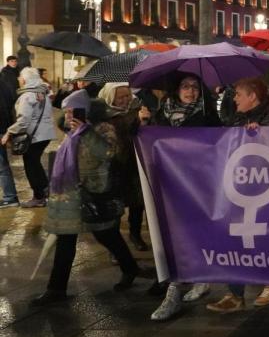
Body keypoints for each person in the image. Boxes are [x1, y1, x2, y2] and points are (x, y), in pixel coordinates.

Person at [30, 90, 151, 306]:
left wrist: (86, 132)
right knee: (66, 239)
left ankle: (130, 268)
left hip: (94, 193)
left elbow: (109, 153)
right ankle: (56, 289)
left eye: (73, 110)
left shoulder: (103, 128)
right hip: (70, 193)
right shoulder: (70, 130)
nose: (69, 115)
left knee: (107, 235)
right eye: (66, 111)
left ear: (85, 110)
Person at [207, 78, 269, 314]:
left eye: (238, 94)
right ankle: (234, 294)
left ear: (252, 96)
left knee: (268, 238)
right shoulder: (240, 118)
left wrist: (263, 135)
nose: (235, 98)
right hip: (242, 187)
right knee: (235, 240)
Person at [148, 76, 223, 321]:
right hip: (168, 182)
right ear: (176, 89)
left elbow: (221, 143)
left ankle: (175, 292)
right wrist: (143, 122)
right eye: (185, 86)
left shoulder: (208, 115)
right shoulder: (162, 113)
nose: (190, 91)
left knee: (187, 235)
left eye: (195, 87)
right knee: (172, 235)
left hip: (198, 185)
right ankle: (193, 280)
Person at [97, 83, 147, 251]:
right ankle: (115, 246)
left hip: (135, 165)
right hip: (115, 168)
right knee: (115, 208)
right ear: (111, 98)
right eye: (121, 97)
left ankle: (135, 234)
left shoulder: (137, 111)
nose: (126, 100)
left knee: (137, 204)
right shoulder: (103, 116)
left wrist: (144, 121)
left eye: (128, 96)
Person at [2, 67, 56, 208]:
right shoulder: (42, 93)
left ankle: (39, 197)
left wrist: (9, 132)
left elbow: (23, 121)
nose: (19, 79)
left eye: (20, 77)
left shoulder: (27, 96)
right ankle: (45, 192)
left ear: (26, 80)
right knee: (35, 164)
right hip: (45, 134)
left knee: (31, 166)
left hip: (34, 136)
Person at [0, 76, 18, 208]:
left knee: (2, 166)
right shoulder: (4, 84)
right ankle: (10, 196)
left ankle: (10, 197)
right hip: (3, 128)